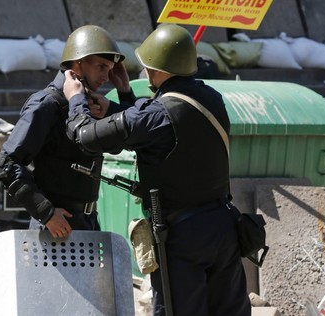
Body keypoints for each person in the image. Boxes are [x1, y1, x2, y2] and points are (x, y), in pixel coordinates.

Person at [63, 23, 251, 316]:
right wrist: (122, 98)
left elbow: (85, 137)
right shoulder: (211, 99)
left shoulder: (157, 115)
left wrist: (76, 100)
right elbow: (158, 128)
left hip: (183, 236)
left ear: (156, 68)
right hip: (223, 226)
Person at [0, 25, 135, 238]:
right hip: (57, 229)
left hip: (87, 222)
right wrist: (46, 212)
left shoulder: (89, 105)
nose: (106, 76)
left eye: (109, 68)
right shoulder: (47, 104)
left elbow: (126, 141)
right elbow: (4, 166)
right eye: (101, 67)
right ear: (78, 63)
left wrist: (125, 93)